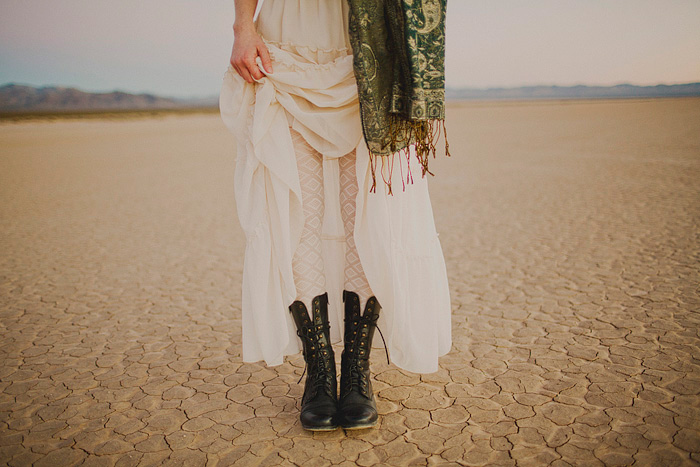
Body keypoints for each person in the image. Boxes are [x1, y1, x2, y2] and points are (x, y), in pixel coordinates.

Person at [220, 0, 451, 431]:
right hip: (286, 44)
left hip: (370, 40)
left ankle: (356, 374)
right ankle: (320, 373)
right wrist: (242, 26)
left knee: (368, 214)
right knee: (297, 218)